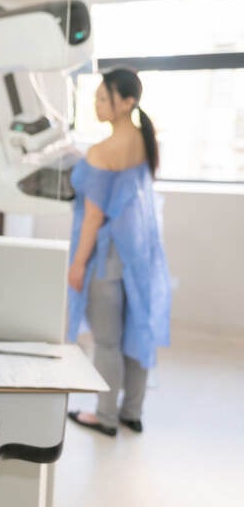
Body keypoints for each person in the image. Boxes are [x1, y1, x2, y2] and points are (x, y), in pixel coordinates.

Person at [66, 68, 171, 437]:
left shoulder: (102, 151)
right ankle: (132, 411)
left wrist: (78, 263)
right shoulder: (145, 139)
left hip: (106, 257)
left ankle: (106, 416)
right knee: (136, 330)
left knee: (107, 340)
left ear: (126, 102)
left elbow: (93, 218)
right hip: (139, 252)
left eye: (102, 98)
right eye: (95, 97)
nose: (96, 104)